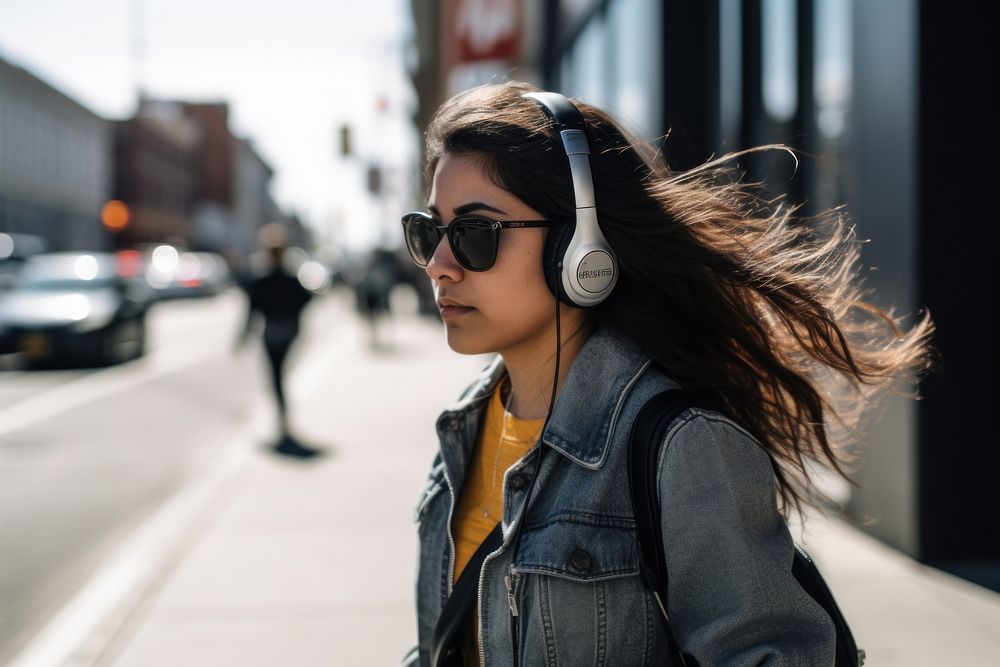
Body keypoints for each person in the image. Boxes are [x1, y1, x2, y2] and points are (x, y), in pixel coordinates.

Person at [401, 82, 933, 666]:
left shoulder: (680, 444)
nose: (439, 265)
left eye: (474, 233)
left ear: (582, 250)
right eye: (431, 232)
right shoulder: (464, 427)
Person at [238, 226, 314, 451]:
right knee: (279, 378)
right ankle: (283, 421)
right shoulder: (290, 278)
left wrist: (243, 336)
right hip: (288, 332)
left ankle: (282, 421)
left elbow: (251, 311)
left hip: (272, 333)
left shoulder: (261, 279)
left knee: (276, 378)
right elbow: (306, 299)